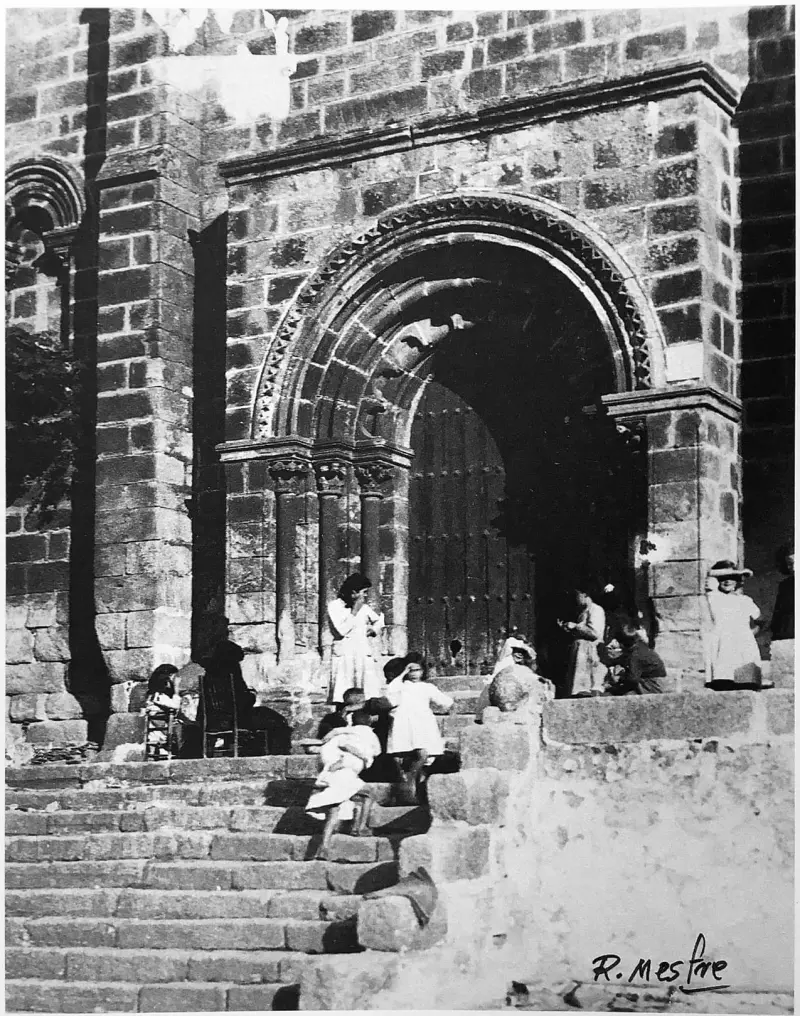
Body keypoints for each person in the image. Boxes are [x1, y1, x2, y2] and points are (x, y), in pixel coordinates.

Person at [305, 710, 382, 860]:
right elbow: (377, 752)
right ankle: (360, 827)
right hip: (345, 772)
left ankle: (324, 847)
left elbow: (325, 750)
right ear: (369, 722)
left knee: (334, 809)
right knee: (369, 793)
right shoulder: (369, 734)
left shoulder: (341, 733)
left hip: (328, 774)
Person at [385, 655, 454, 803]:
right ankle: (408, 785)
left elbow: (445, 702)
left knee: (426, 757)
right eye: (411, 670)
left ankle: (417, 790)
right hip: (405, 724)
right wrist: (402, 674)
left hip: (423, 724)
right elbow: (390, 691)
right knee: (414, 755)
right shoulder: (401, 686)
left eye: (418, 670)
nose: (415, 673)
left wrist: (449, 707)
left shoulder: (427, 687)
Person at [704, 560, 770, 690]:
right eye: (723, 578)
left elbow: (761, 620)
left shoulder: (744, 600)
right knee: (723, 680)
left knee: (746, 681)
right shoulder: (712, 598)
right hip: (722, 644)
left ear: (737, 580)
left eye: (731, 578)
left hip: (743, 644)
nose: (727, 581)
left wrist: (750, 634)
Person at [328, 573, 385, 704]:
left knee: (365, 689)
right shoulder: (335, 606)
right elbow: (342, 630)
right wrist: (354, 611)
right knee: (343, 691)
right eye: (364, 592)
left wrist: (373, 630)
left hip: (361, 651)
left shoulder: (364, 608)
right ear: (354, 592)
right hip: (345, 654)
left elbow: (380, 620)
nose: (365, 596)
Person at [558, 586, 608, 697]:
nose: (576, 599)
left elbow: (595, 633)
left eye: (577, 596)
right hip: (580, 652)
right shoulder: (583, 612)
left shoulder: (596, 610)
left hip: (589, 652)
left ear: (585, 594)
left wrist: (576, 626)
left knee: (587, 687)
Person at [606, 622, 666, 695]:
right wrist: (611, 662)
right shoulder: (639, 646)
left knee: (624, 695)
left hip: (651, 683)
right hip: (649, 678)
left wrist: (619, 680)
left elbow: (632, 679)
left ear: (622, 643)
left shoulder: (635, 655)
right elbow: (624, 658)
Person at [770, 544, 794, 642]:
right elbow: (779, 614)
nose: (793, 568)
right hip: (787, 638)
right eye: (789, 564)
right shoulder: (785, 585)